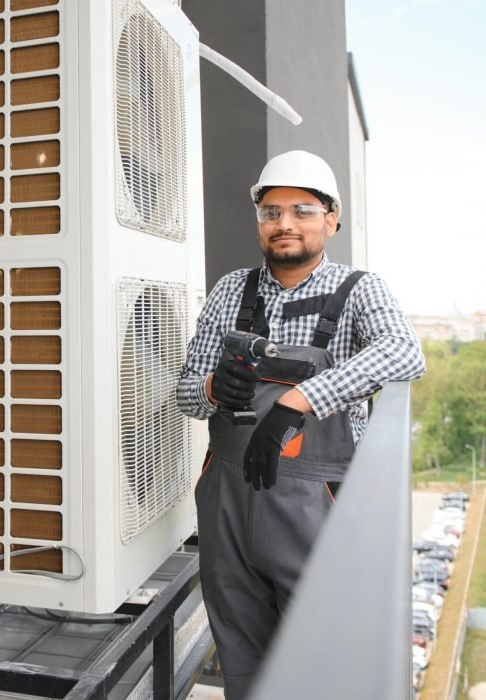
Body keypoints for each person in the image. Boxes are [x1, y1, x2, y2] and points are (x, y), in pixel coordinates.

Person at [175, 150, 425, 699]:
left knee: (320, 651)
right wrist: (216, 388)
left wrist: (301, 399)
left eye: (302, 210)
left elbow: (405, 354)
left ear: (331, 219)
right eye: (271, 211)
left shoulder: (360, 290)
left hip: (317, 499)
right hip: (228, 498)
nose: (284, 223)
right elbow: (185, 395)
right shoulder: (230, 292)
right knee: (240, 647)